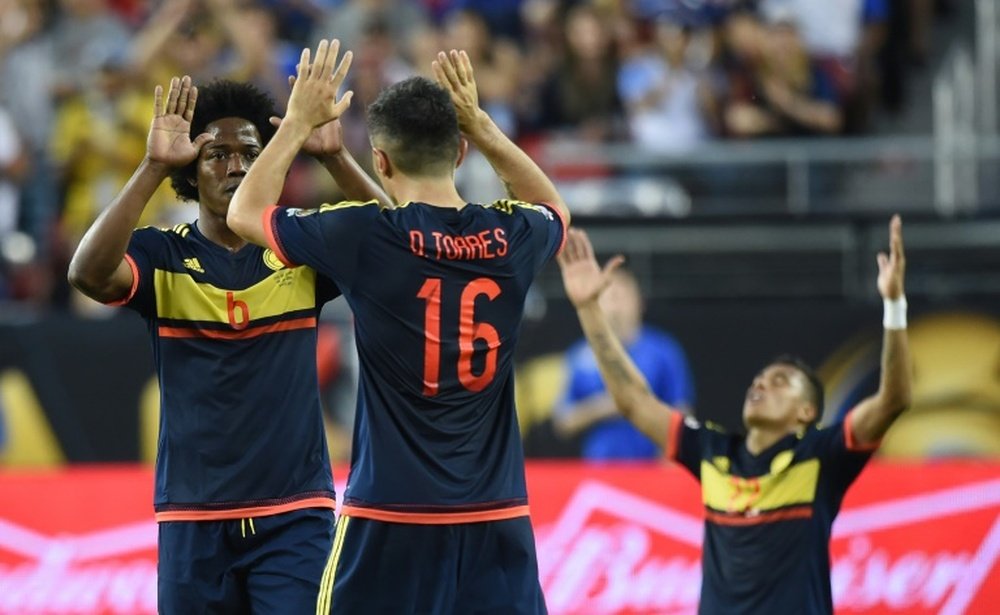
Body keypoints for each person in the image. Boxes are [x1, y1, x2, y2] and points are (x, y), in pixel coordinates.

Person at [227, 41, 569, 613]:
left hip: (390, 512)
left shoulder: (366, 235)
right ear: (460, 152)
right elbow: (554, 208)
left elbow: (244, 213)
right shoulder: (511, 237)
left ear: (381, 162)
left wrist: (297, 125)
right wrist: (483, 122)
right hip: (496, 513)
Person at [66, 75, 388, 613]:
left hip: (295, 514)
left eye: (250, 153)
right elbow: (87, 274)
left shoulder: (299, 247)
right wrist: (152, 167)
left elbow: (398, 244)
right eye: (216, 153)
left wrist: (335, 159)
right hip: (194, 516)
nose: (236, 166)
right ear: (191, 169)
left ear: (273, 163)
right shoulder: (161, 255)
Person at [556, 217, 911, 614]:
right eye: (759, 379)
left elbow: (892, 400)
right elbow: (635, 402)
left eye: (780, 381)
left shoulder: (820, 458)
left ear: (806, 412)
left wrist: (895, 306)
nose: (761, 385)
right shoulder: (713, 452)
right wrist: (589, 309)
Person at [554, 266, 695, 459]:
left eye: (622, 295)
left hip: (651, 470)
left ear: (639, 301)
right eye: (608, 295)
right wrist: (603, 407)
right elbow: (563, 421)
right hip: (599, 471)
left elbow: (682, 410)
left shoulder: (663, 350)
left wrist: (669, 461)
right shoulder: (580, 354)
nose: (615, 304)